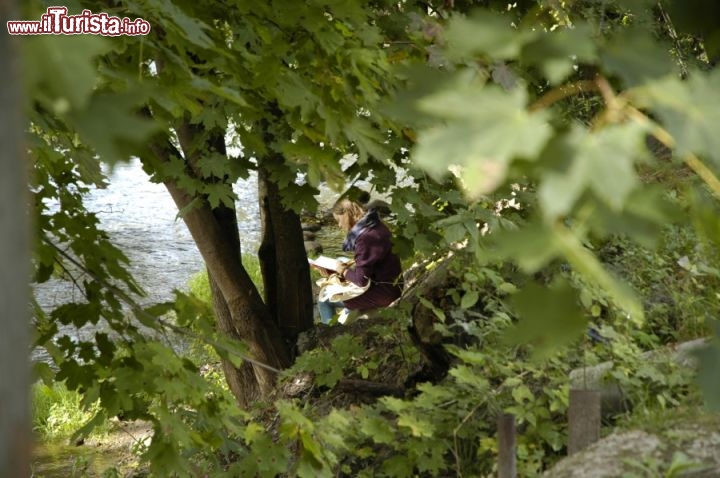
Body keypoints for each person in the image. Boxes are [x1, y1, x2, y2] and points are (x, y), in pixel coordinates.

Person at [317, 197, 403, 324]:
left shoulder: (365, 238)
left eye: (338, 220)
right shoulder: (375, 224)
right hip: (391, 282)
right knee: (340, 259)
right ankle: (349, 311)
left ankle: (329, 333)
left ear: (346, 214)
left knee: (324, 301)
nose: (339, 225)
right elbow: (369, 260)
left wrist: (342, 270)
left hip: (384, 292)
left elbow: (360, 280)